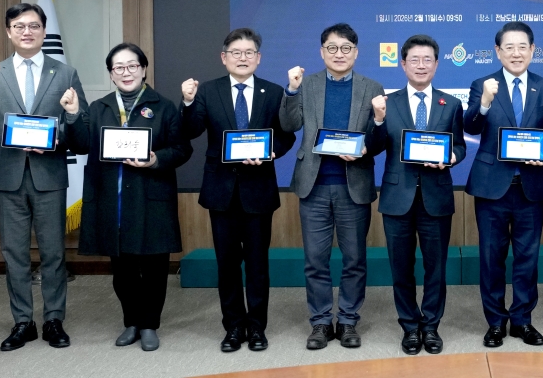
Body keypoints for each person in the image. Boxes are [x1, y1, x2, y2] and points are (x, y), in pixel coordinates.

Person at [0, 3, 87, 351]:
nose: (27, 32)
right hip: (8, 178)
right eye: (19, 26)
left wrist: (55, 136)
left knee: (53, 253)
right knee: (15, 254)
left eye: (34, 25)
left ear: (44, 31)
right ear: (9, 32)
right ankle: (23, 321)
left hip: (49, 175)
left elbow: (79, 130)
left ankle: (53, 320)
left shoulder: (64, 73)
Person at [62, 43, 192, 351]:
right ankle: (131, 321)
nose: (126, 72)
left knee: (155, 268)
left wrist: (156, 159)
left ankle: (149, 325)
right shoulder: (99, 108)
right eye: (118, 67)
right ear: (111, 74)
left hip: (151, 198)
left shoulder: (163, 106)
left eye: (132, 65)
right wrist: (72, 114)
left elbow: (182, 149)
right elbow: (80, 145)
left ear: (143, 69)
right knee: (123, 271)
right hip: (113, 201)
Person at [180, 28, 295, 353]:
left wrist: (271, 151)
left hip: (258, 189)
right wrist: (187, 102)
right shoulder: (207, 91)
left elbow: (286, 135)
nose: (242, 58)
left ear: (258, 58)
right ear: (224, 57)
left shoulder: (273, 92)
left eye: (249, 53)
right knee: (227, 264)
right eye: (236, 52)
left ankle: (257, 327)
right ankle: (233, 327)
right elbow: (190, 130)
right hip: (221, 190)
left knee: (258, 265)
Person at [280, 22, 383, 350]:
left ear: (356, 52)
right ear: (322, 52)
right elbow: (289, 124)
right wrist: (291, 90)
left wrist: (368, 141)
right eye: (332, 48)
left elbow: (378, 136)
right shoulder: (306, 84)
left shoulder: (371, 87)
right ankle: (321, 322)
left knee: (355, 259)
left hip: (354, 184)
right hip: (314, 185)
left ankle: (349, 320)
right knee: (315, 260)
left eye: (346, 48)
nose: (339, 54)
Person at [365, 34, 466, 355]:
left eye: (427, 60)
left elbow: (460, 145)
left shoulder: (451, 104)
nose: (421, 66)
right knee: (401, 268)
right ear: (403, 64)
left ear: (436, 64)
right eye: (414, 60)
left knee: (436, 268)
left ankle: (431, 326)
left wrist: (451, 157)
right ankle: (410, 326)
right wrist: (378, 120)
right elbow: (374, 147)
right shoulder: (387, 103)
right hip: (398, 198)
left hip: (436, 197)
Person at [464, 21, 543, 348]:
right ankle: (495, 322)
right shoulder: (483, 84)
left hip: (529, 186)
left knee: (527, 258)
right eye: (509, 47)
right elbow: (471, 126)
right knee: (491, 258)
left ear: (533, 50)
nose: (516, 53)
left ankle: (522, 320)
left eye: (523, 47)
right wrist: (484, 103)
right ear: (498, 51)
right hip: (491, 186)